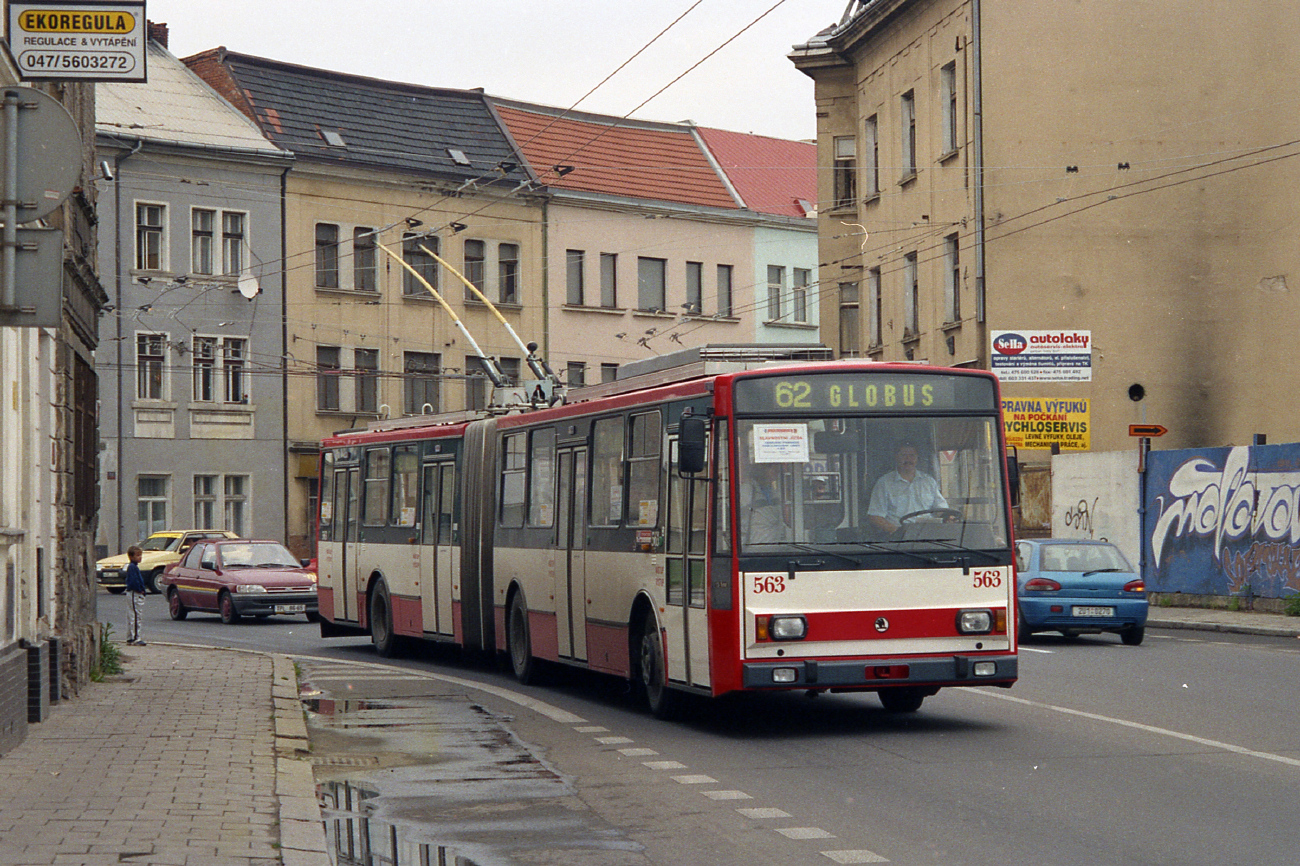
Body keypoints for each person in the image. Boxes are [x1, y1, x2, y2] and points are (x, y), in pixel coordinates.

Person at [867, 441, 951, 535]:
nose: (908, 459)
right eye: (903, 455)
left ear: (917, 458)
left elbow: (940, 510)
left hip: (929, 535)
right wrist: (896, 532)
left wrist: (948, 517)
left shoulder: (929, 482)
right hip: (899, 540)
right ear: (896, 457)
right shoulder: (884, 483)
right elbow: (875, 516)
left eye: (912, 456)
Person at [741, 461, 788, 544]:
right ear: (763, 469)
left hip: (774, 543)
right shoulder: (747, 488)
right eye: (774, 469)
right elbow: (741, 517)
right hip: (755, 543)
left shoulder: (773, 490)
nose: (777, 473)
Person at [124, 545, 147, 646]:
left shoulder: (134, 567)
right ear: (131, 557)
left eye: (140, 555)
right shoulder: (132, 568)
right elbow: (134, 581)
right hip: (134, 593)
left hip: (133, 593)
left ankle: (130, 637)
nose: (140, 557)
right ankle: (136, 637)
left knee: (132, 614)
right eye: (138, 555)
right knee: (136, 615)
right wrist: (140, 590)